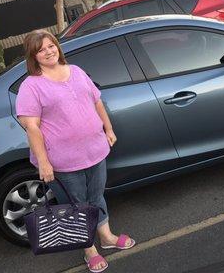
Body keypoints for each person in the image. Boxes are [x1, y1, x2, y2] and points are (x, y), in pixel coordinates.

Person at [15, 29, 135, 273]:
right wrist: (44, 162)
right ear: (33, 56)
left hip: (95, 149)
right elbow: (32, 127)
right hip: (64, 160)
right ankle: (89, 249)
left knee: (97, 195)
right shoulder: (31, 86)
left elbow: (97, 101)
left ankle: (107, 238)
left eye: (51, 46)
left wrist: (108, 129)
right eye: (41, 49)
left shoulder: (77, 71)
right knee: (77, 204)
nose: (48, 51)